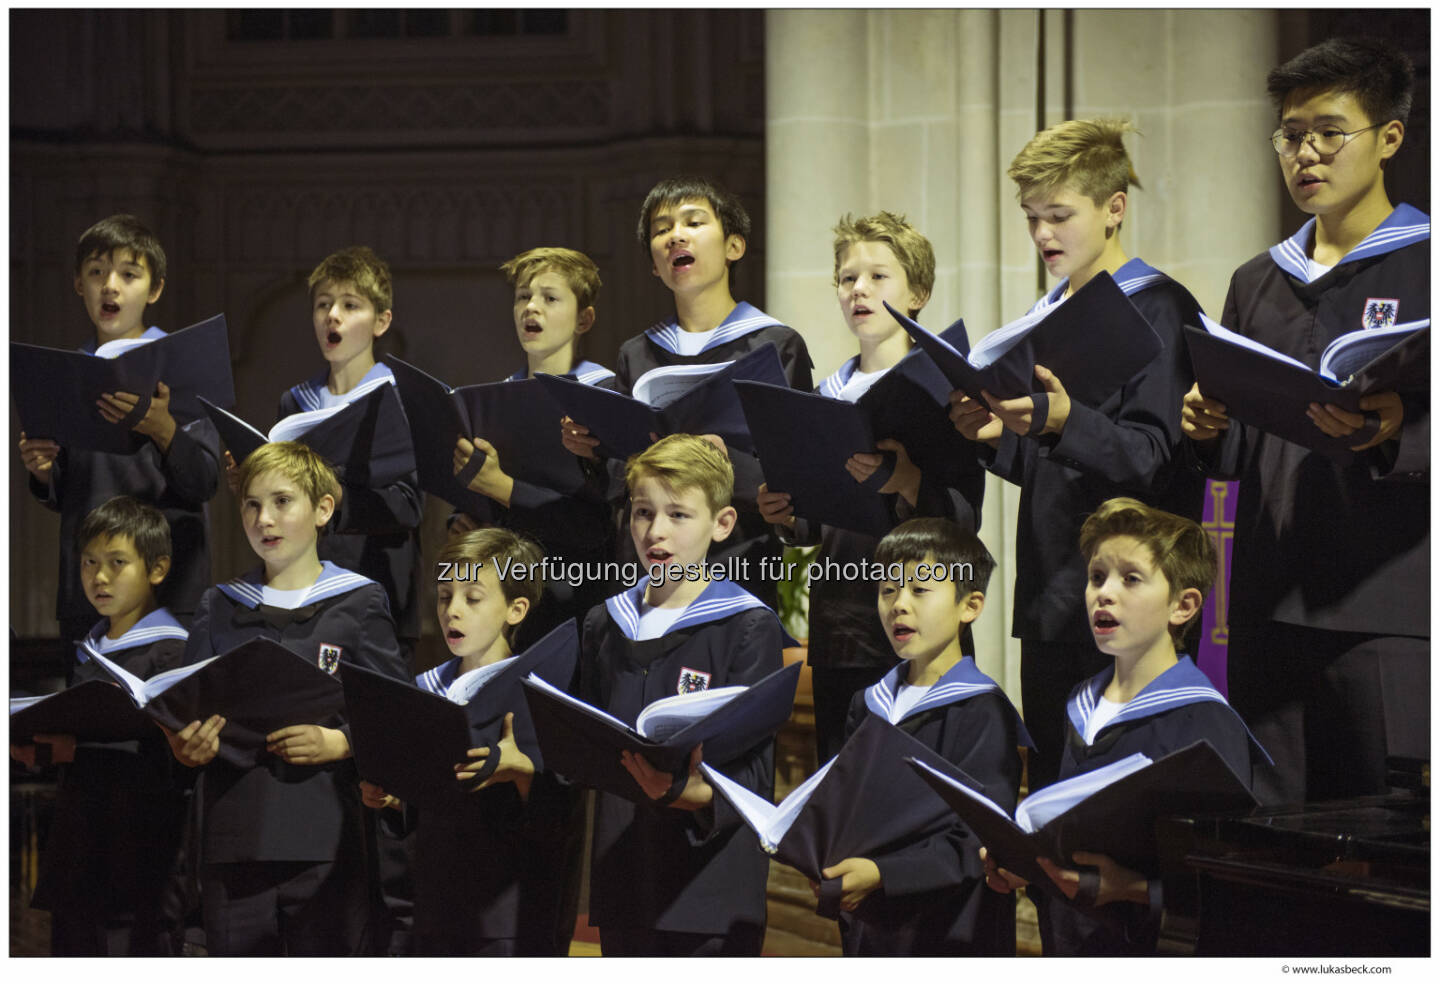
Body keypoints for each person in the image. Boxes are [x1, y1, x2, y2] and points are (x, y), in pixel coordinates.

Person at [1181, 38, 1428, 804]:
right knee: (1273, 839)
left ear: (1388, 137)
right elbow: (1232, 454)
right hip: (1264, 601)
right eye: (1291, 136)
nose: (1306, 154)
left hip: (1384, 607)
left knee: (1387, 843)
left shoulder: (1428, 266)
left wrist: (1399, 430)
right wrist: (1206, 424)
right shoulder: (1257, 281)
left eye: (1329, 132)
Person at [949, 119, 1205, 790]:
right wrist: (996, 437)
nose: (1042, 236)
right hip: (1055, 595)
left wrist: (1065, 422)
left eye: (1059, 215)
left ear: (1114, 208)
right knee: (1056, 798)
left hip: (1132, 600)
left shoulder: (1161, 310)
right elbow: (1048, 468)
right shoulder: (1044, 316)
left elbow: (1156, 459)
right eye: (1033, 218)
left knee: (1121, 807)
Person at [983, 497, 1267, 955]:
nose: (1104, 593)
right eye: (1097, 577)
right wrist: (1029, 863)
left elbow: (1227, 883)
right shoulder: (1081, 701)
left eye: (1130, 579)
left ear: (1183, 605)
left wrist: (1132, 887)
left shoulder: (1204, 719)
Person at [165, 441, 407, 956]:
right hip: (233, 843)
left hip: (325, 844)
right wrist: (183, 744)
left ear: (323, 509)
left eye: (281, 501)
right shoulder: (219, 605)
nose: (263, 519)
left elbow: (397, 718)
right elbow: (183, 707)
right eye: (252, 504)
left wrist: (340, 742)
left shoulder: (359, 603)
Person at [758, 211, 983, 763]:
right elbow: (815, 522)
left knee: (915, 777)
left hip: (921, 617)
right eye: (847, 278)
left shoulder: (941, 386)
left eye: (878, 277)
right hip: (843, 621)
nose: (858, 289)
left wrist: (907, 480)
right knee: (842, 775)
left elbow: (965, 517)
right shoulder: (826, 393)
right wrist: (785, 513)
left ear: (918, 293)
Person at [561, 176, 814, 608]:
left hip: (738, 562)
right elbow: (621, 481)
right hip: (645, 570)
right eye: (662, 230)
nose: (675, 234)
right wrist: (591, 453)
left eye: (693, 222)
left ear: (734, 247)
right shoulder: (636, 354)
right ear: (655, 267)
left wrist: (719, 460)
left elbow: (797, 471)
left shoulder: (774, 345)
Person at [576, 434, 784, 955]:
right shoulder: (606, 621)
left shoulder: (747, 626)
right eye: (643, 512)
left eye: (678, 515)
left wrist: (678, 791)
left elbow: (752, 780)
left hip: (708, 887)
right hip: (624, 876)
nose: (656, 531)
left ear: (722, 525)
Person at [361, 527, 582, 955]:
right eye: (445, 596)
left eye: (472, 598)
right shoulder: (425, 689)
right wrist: (390, 796)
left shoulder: (539, 694)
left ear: (515, 610)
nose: (452, 612)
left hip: (504, 913)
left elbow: (563, 812)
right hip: (431, 904)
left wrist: (522, 771)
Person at [18, 214, 221, 647]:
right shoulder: (68, 373)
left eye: (129, 274)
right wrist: (42, 471)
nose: (110, 285)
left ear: (155, 288)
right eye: (96, 273)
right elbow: (71, 488)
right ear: (79, 285)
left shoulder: (182, 362)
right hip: (90, 592)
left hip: (169, 585)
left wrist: (164, 428)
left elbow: (205, 481)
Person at [828, 518, 1025, 956]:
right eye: (887, 590)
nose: (899, 604)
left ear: (970, 605)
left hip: (949, 926)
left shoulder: (981, 710)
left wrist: (882, 872)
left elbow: (976, 839)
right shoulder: (868, 703)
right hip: (872, 919)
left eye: (919, 590)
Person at [11, 497, 191, 955]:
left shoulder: (171, 653)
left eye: (117, 563)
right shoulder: (91, 647)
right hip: (80, 847)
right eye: (89, 562)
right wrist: (39, 749)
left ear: (157, 569)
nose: (99, 577)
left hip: (139, 853)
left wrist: (76, 751)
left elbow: (171, 761)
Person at [450, 246, 619, 650]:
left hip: (574, 596)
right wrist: (465, 518)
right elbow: (483, 489)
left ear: (584, 319)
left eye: (550, 298)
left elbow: (594, 524)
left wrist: (500, 487)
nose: (532, 308)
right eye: (523, 296)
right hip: (504, 594)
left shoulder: (605, 394)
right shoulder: (497, 396)